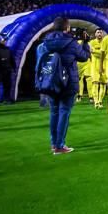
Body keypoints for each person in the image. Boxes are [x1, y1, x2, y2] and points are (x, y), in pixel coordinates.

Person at [39, 18, 91, 154]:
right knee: (64, 112)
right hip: (68, 82)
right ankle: (60, 145)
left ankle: (53, 143)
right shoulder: (71, 43)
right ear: (67, 28)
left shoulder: (46, 42)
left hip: (50, 81)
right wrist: (85, 42)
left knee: (54, 112)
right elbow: (84, 57)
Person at [0, 35, 15, 105]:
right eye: (3, 40)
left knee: (7, 86)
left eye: (5, 40)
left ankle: (6, 99)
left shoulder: (8, 49)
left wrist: (13, 68)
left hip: (7, 70)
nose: (5, 41)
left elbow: (12, 59)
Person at [88, 28, 106, 109]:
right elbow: (97, 53)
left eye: (101, 33)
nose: (99, 34)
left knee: (103, 85)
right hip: (94, 67)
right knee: (95, 84)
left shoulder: (105, 42)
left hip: (104, 66)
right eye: (98, 32)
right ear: (95, 34)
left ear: (103, 34)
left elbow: (105, 54)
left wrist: (95, 52)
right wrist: (101, 53)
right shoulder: (91, 42)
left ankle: (100, 101)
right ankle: (96, 102)